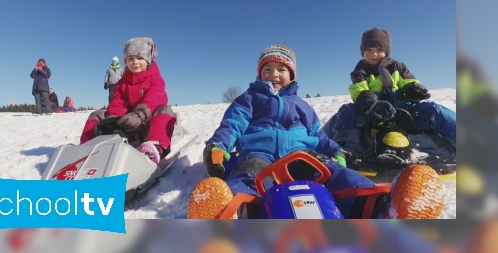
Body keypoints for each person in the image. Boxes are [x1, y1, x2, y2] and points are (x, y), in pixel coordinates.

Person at [187, 44, 445, 220]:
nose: (274, 75)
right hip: (259, 152)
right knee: (247, 176)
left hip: (303, 153)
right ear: (259, 74)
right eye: (267, 70)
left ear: (291, 75)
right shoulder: (250, 98)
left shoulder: (301, 104)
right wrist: (218, 145)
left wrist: (334, 151)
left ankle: (382, 207)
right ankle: (229, 210)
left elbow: (318, 134)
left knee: (338, 174)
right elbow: (233, 123)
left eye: (281, 70)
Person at [322, 27, 456, 147]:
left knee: (434, 110)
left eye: (379, 50)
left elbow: (408, 81)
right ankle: (323, 141)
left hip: (402, 112)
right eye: (369, 50)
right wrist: (371, 103)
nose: (374, 54)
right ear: (363, 52)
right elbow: (358, 89)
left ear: (386, 51)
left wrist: (413, 89)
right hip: (371, 114)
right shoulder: (361, 70)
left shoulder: (398, 67)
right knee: (347, 112)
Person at [79, 37, 176, 164]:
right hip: (126, 127)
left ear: (148, 60)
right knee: (96, 115)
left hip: (146, 126)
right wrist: (112, 120)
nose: (134, 62)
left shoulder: (155, 79)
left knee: (165, 110)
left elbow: (155, 97)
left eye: (140, 58)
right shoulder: (121, 83)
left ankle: (154, 148)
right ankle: (86, 148)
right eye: (130, 59)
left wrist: (140, 115)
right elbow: (118, 102)